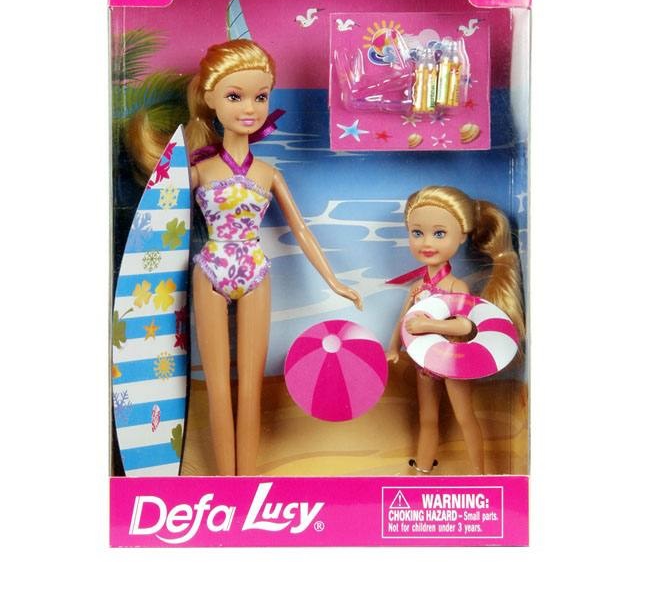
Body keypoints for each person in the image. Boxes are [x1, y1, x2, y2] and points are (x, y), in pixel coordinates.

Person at [128, 39, 361, 475]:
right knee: (218, 389)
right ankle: (225, 483)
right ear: (209, 97)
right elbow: (161, 220)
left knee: (250, 387)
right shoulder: (198, 171)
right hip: (211, 270)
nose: (250, 108)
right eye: (235, 97)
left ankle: (246, 483)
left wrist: (335, 281)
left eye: (260, 96)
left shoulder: (268, 173)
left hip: (255, 270)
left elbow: (302, 230)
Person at [386, 185, 524, 475]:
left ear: (461, 236)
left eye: (439, 234)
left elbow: (465, 325)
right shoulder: (417, 287)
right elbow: (403, 320)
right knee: (427, 418)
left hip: (454, 362)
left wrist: (428, 325)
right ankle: (423, 470)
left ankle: (479, 473)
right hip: (424, 363)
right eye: (417, 232)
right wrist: (393, 348)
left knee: (464, 416)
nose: (426, 242)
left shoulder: (455, 286)